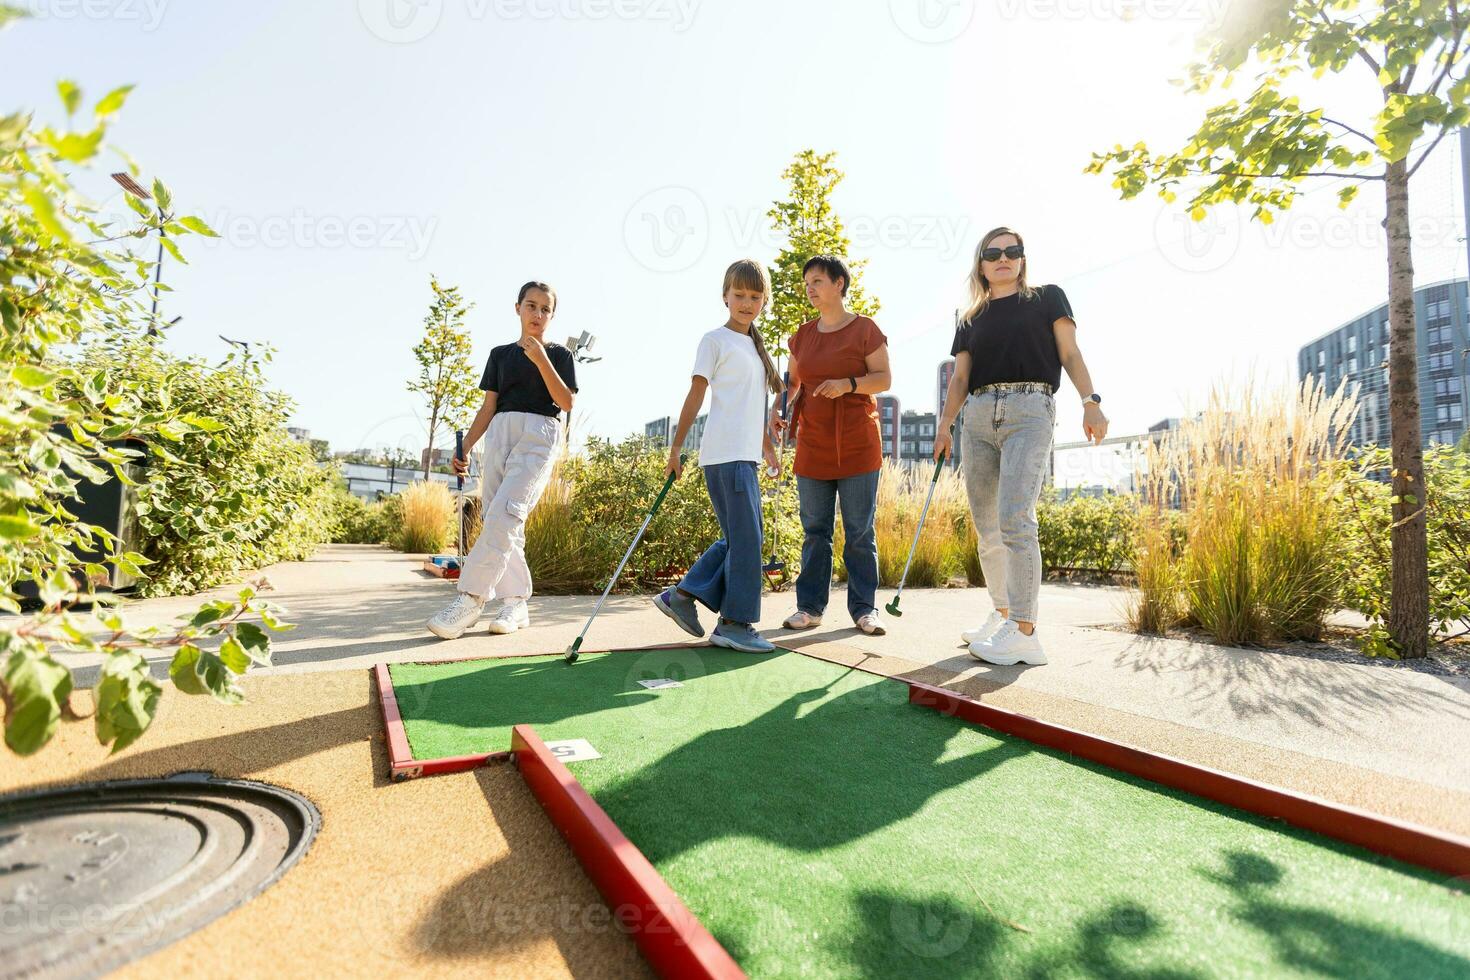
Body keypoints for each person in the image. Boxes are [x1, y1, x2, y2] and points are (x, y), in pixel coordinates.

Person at [934, 228, 1108, 666]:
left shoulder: (1048, 297)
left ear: (1023, 258)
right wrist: (944, 426)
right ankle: (1004, 614)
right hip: (975, 417)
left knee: (1015, 516)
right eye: (993, 253)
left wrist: (1091, 403)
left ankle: (1026, 632)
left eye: (1012, 251)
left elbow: (1070, 354)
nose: (1003, 258)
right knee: (987, 526)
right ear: (981, 264)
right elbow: (959, 378)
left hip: (1030, 409)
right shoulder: (969, 316)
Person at [425, 281, 577, 639]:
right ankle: (515, 603)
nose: (537, 314)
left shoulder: (559, 355)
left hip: (539, 433)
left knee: (505, 513)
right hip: (499, 433)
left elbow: (566, 402)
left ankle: (470, 599)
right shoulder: (499, 354)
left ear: (552, 315)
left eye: (545, 309)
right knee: (505, 522)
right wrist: (463, 449)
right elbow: (488, 406)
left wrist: (540, 359)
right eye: (531, 305)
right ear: (518, 308)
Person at [652, 259, 783, 653]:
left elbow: (749, 407)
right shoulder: (715, 340)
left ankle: (681, 596)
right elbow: (696, 395)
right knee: (747, 541)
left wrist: (768, 449)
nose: (746, 302)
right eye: (739, 295)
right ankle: (734, 623)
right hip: (725, 455)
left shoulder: (755, 346)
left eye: (755, 296)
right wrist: (676, 448)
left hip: (746, 456)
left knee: (741, 538)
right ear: (725, 296)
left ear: (764, 300)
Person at [772, 255, 892, 636]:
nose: (810, 288)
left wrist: (848, 384)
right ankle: (809, 607)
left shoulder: (865, 330)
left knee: (859, 531)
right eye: (807, 282)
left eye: (818, 280)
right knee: (814, 530)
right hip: (813, 445)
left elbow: (883, 378)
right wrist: (779, 407)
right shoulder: (802, 335)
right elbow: (791, 383)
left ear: (839, 283)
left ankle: (864, 609)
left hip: (857, 444)